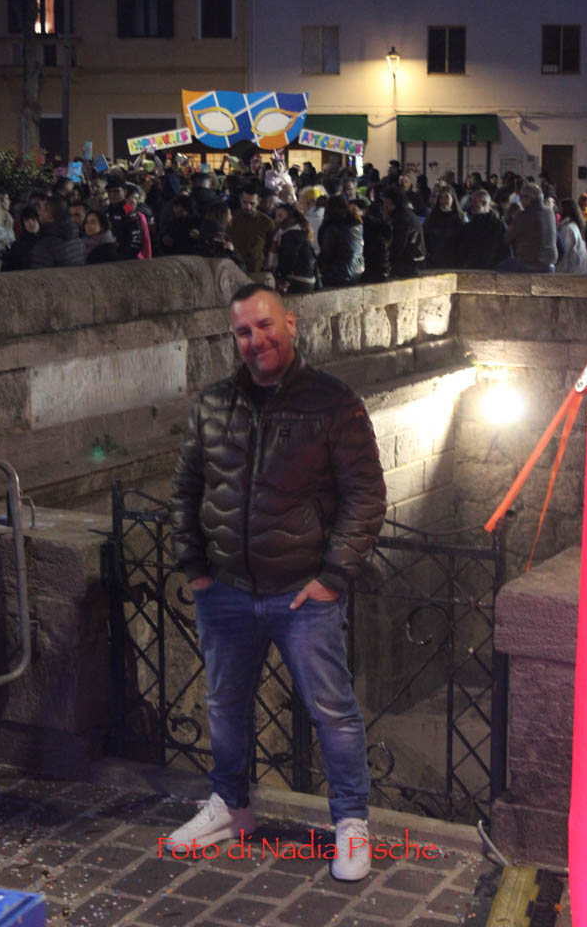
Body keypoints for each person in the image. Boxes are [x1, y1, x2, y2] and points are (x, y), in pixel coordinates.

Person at [168, 284, 386, 881]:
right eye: (243, 331)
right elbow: (186, 490)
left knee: (332, 711)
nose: (256, 340)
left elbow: (365, 496)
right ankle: (231, 805)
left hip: (301, 591)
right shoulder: (213, 404)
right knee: (224, 704)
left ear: (290, 322)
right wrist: (195, 568)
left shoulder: (333, 403)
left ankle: (351, 822)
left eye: (264, 326)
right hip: (226, 589)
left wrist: (333, 576)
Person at [501, 182, 558, 272]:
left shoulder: (522, 215)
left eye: (521, 197)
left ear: (528, 198)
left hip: (529, 263)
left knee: (500, 267)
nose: (520, 201)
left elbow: (507, 238)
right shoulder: (550, 212)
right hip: (549, 263)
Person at [268, 202, 318, 292]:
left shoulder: (290, 234)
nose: (276, 219)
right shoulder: (298, 230)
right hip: (307, 279)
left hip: (298, 280)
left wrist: (279, 276)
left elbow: (287, 261)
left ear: (290, 216)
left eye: (280, 216)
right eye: (276, 216)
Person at [30, 194, 87, 268]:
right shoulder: (77, 238)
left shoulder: (45, 246)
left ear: (50, 214)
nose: (39, 213)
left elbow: (39, 273)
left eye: (41, 209)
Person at [318, 195, 365, 285]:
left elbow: (327, 252)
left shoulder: (331, 228)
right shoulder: (358, 224)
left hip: (338, 275)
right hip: (358, 272)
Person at [380, 186, 426, 278]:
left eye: (387, 203)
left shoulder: (401, 219)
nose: (384, 206)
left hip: (410, 264)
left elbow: (397, 246)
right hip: (412, 261)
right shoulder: (403, 215)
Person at [229, 185, 275, 273]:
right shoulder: (231, 219)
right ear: (240, 199)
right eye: (244, 202)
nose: (248, 207)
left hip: (256, 270)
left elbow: (271, 247)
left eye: (252, 203)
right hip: (233, 267)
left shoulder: (267, 223)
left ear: (259, 201)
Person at [458, 189, 508, 269]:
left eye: (474, 202)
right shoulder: (470, 226)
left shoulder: (498, 226)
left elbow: (505, 250)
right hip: (472, 269)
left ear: (484, 203)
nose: (472, 205)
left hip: (493, 270)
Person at [423, 185, 465, 268]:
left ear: (453, 198)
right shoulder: (433, 217)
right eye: (441, 198)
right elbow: (425, 235)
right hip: (434, 260)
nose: (443, 201)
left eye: (446, 197)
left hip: (453, 260)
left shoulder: (459, 218)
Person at [556, 198, 587, 275]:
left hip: (574, 269)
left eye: (560, 208)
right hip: (581, 268)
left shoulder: (568, 229)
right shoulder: (574, 226)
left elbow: (565, 251)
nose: (558, 211)